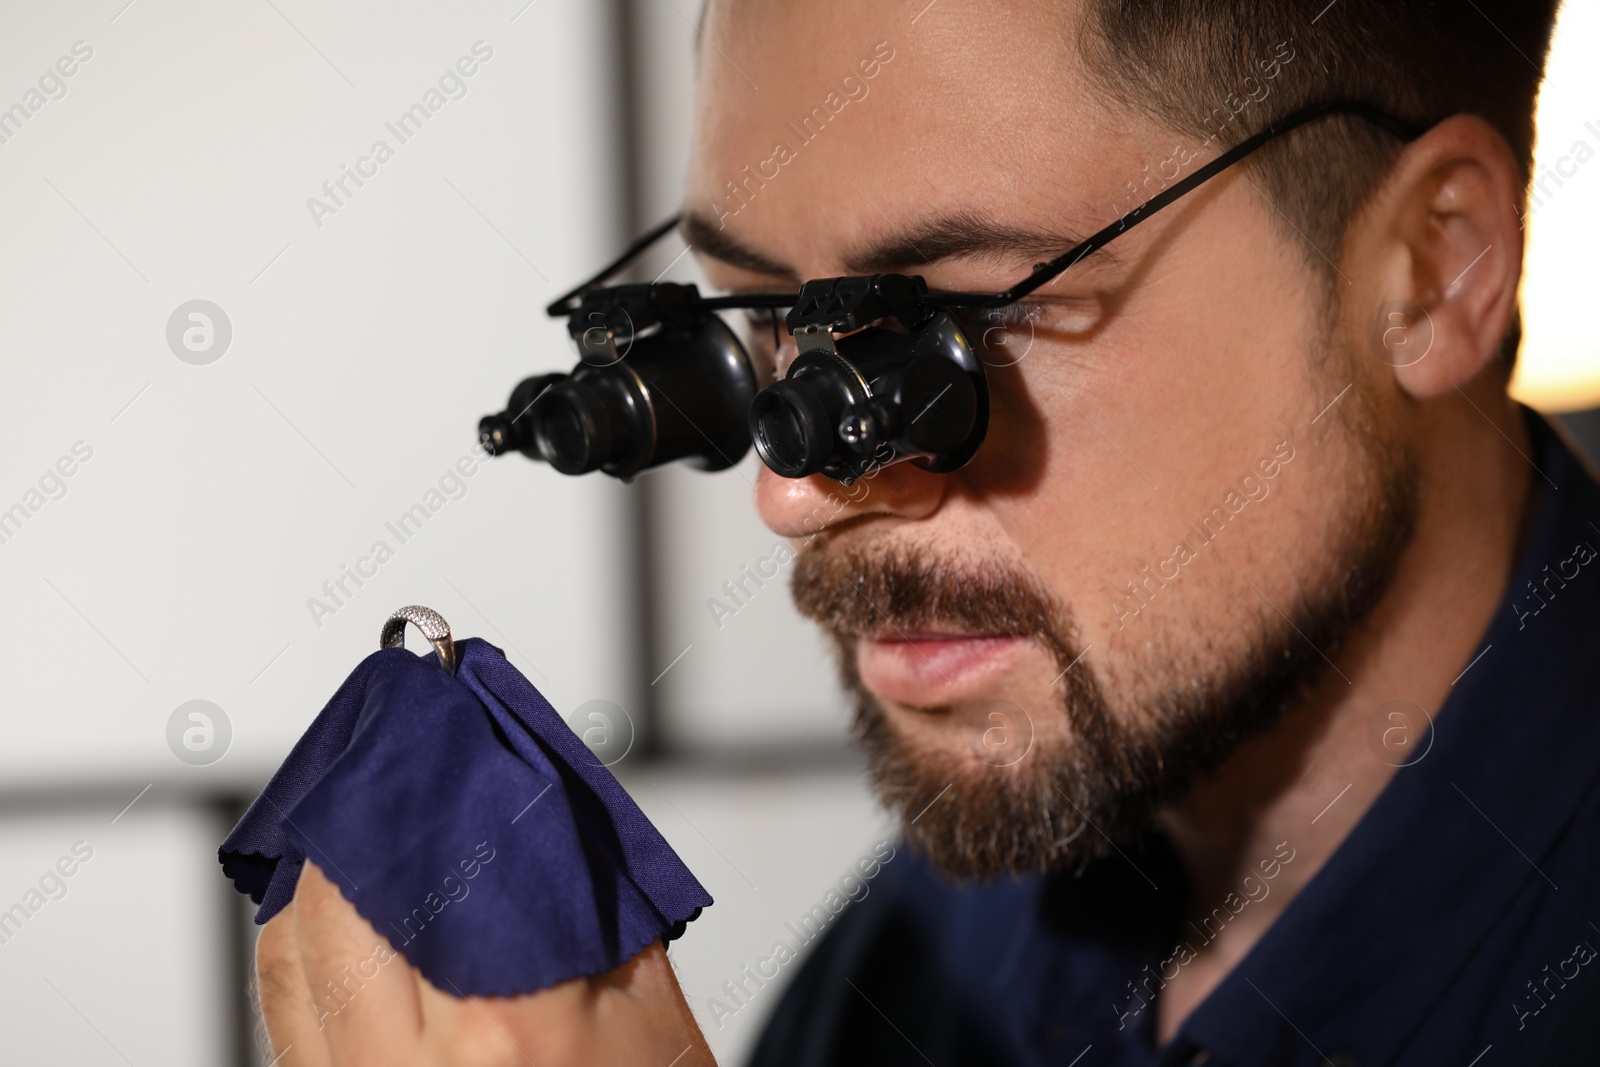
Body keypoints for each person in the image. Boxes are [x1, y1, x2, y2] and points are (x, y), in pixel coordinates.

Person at [258, 0, 1596, 1063]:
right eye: (764, 318)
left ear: (1430, 269)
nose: (793, 494)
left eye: (954, 327)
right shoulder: (937, 954)